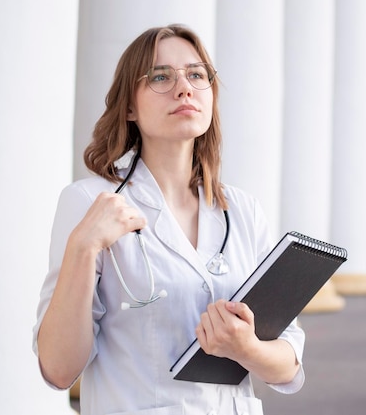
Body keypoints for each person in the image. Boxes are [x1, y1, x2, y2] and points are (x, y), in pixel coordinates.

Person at [32, 24, 305, 415]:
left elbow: (289, 362)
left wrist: (247, 348)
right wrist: (83, 247)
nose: (184, 87)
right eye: (160, 76)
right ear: (129, 106)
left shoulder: (242, 211)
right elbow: (59, 370)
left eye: (196, 74)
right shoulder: (90, 202)